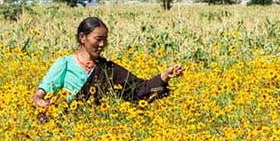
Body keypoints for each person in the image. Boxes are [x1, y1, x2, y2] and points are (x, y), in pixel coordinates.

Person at [32, 17, 183, 112]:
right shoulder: (64, 63)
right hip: (68, 122)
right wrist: (39, 99)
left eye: (105, 39)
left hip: (98, 126)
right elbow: (43, 89)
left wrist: (164, 76)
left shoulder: (108, 69)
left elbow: (138, 90)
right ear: (82, 37)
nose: (102, 44)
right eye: (98, 39)